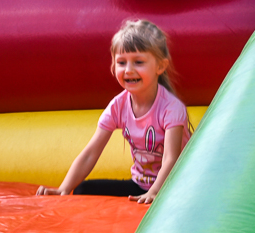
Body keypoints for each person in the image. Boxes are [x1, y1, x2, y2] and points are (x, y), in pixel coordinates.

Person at [36, 19, 192, 204]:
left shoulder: (171, 108)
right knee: (82, 189)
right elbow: (90, 153)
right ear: (113, 67)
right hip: (141, 186)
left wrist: (155, 192)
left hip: (180, 185)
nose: (129, 70)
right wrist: (64, 188)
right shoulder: (118, 106)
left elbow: (170, 158)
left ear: (160, 66)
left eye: (138, 62)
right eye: (121, 62)